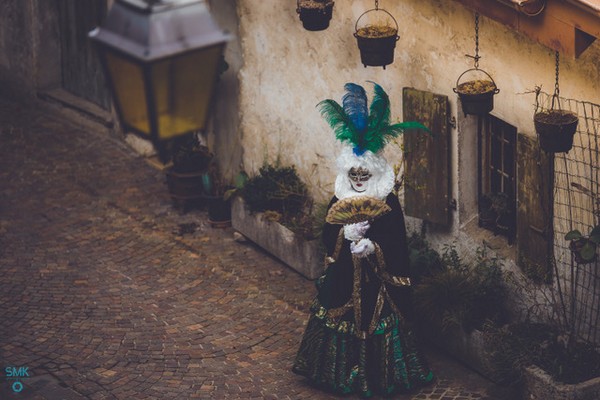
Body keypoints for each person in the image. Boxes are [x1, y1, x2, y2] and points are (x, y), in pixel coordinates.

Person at [292, 82, 434, 397]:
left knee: (378, 319)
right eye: (354, 177)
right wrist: (344, 234)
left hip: (378, 282)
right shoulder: (339, 197)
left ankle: (381, 376)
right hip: (344, 276)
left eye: (364, 177)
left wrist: (374, 246)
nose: (358, 182)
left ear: (373, 174)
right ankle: (337, 374)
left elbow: (396, 241)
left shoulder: (388, 201)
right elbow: (328, 232)